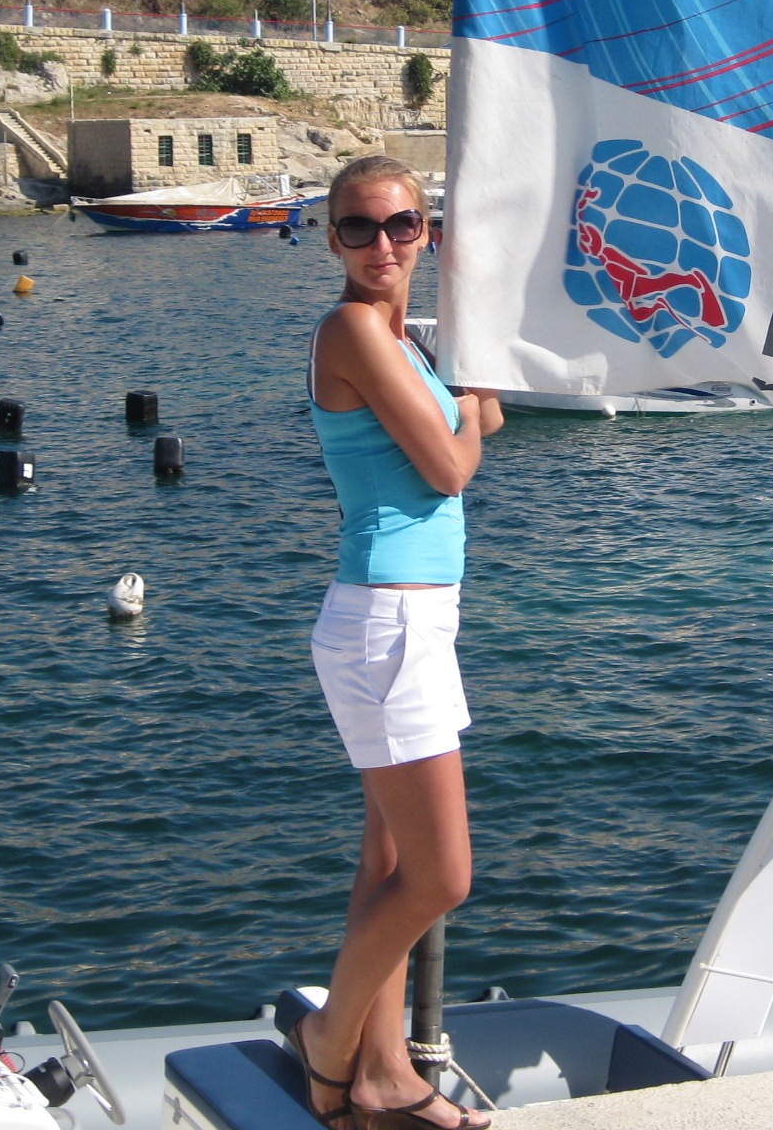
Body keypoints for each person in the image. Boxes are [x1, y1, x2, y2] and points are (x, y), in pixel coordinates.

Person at [290, 156, 501, 1130]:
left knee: (387, 866)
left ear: (427, 233)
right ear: (331, 240)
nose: (382, 244)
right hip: (388, 621)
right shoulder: (351, 331)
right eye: (358, 228)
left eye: (402, 225)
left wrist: (470, 376)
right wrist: (467, 406)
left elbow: (483, 417)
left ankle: (380, 1072)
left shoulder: (405, 339)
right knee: (440, 875)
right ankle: (332, 1039)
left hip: (415, 618)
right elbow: (451, 467)